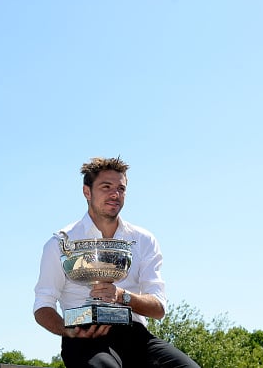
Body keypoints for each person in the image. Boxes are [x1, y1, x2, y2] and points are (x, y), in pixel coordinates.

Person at [33, 157, 199, 368]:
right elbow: (42, 305)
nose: (115, 194)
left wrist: (122, 296)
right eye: (106, 187)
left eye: (121, 188)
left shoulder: (143, 240)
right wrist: (66, 329)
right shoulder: (61, 242)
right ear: (87, 192)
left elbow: (158, 308)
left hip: (134, 335)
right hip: (85, 337)